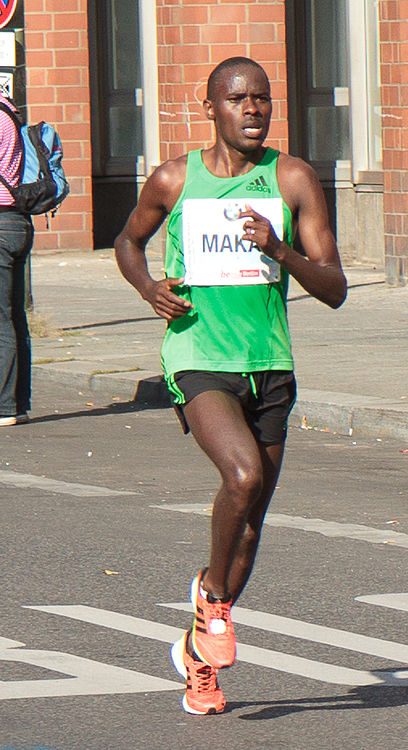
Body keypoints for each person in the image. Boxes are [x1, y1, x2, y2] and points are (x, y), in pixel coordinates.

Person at [114, 57, 347, 715]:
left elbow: (334, 290)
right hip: (198, 357)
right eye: (239, 99)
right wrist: (148, 287)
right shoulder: (173, 178)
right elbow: (128, 243)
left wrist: (280, 251)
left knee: (248, 529)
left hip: (269, 365)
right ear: (210, 107)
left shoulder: (293, 178)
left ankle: (197, 654)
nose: (254, 110)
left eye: (263, 100)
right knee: (241, 478)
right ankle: (213, 605)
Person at [0, 93, 34, 427]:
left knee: (1, 319)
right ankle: (19, 403)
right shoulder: (10, 110)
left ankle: (4, 407)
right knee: (15, 317)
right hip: (18, 222)